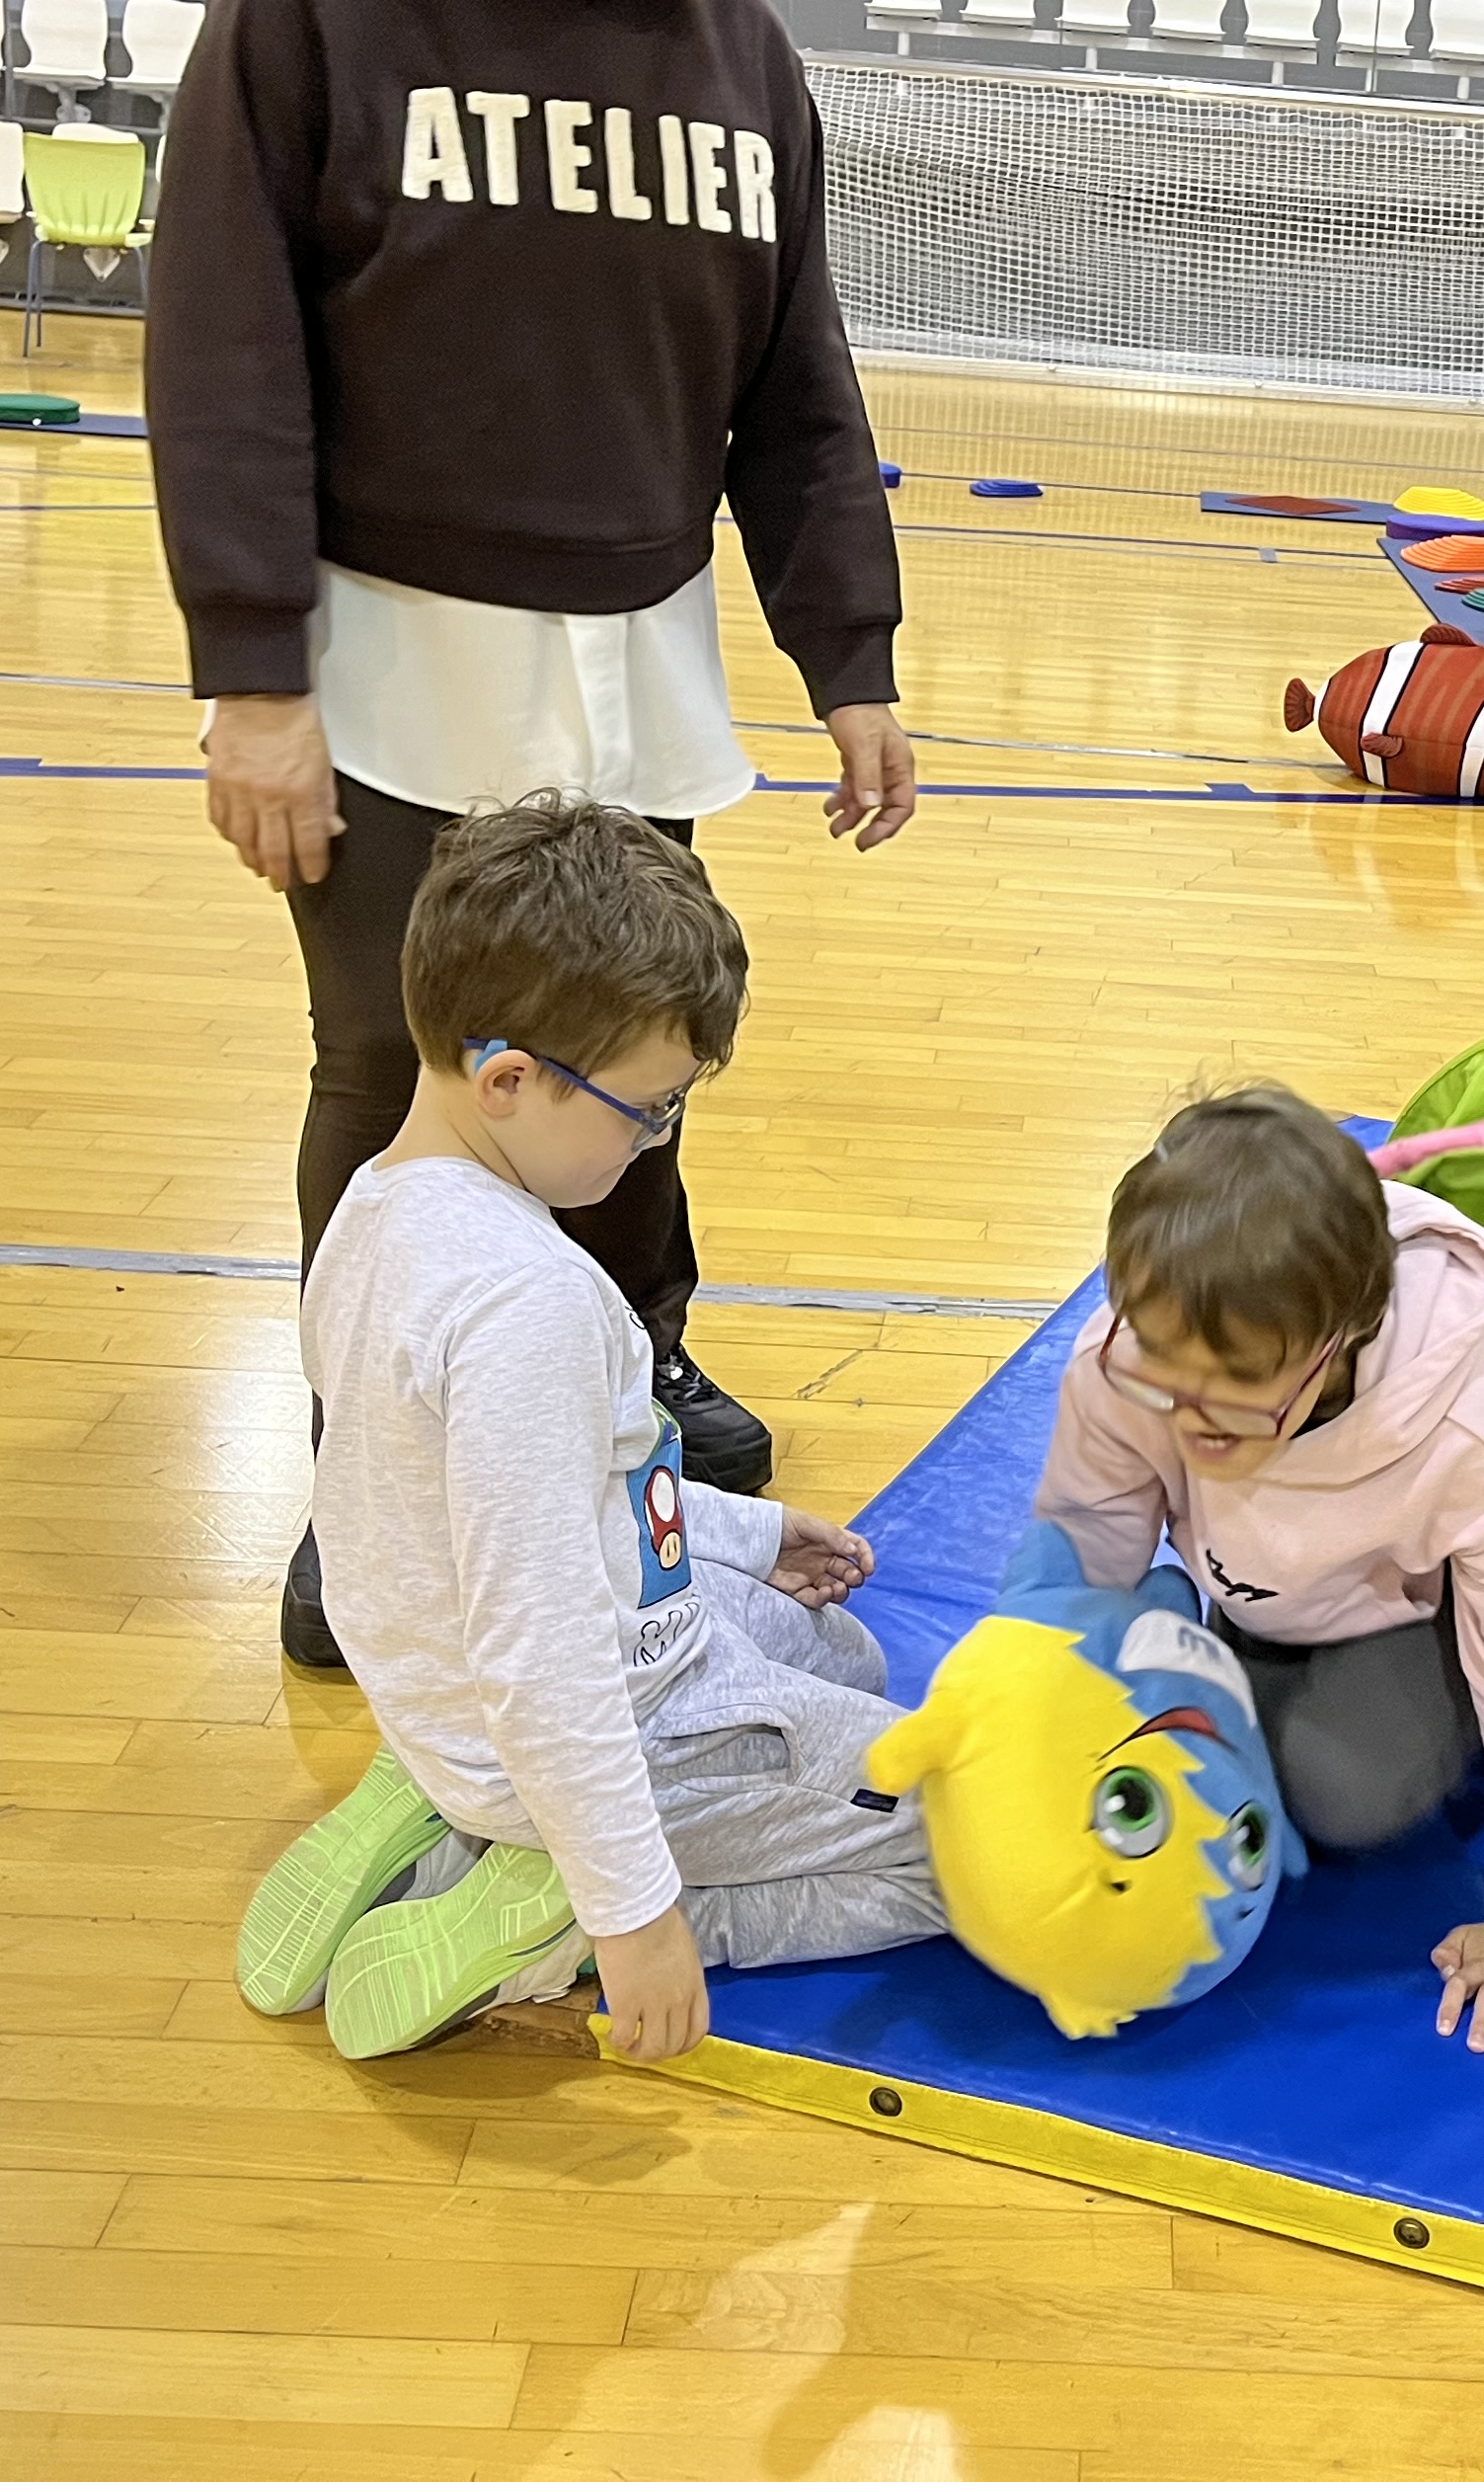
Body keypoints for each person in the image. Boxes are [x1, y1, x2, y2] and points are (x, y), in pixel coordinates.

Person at [146, 0, 914, 1671]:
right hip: (384, 672)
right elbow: (225, 359)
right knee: (401, 1092)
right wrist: (249, 682)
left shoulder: (741, 60)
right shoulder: (320, 0)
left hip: (629, 673)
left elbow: (796, 389)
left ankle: (625, 1412)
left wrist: (850, 655)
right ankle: (375, 1486)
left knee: (626, 1072)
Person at [231, 795, 945, 2066]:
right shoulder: (530, 1306)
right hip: (593, 1727)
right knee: (955, 1855)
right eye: (647, 1107)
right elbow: (544, 1644)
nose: (656, 1137)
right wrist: (635, 1914)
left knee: (844, 1657)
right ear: (510, 1080)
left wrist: (743, 1532)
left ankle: (438, 1797)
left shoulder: (372, 1208)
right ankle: (545, 1901)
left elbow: (541, 1498)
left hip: (456, 1691)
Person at [1033, 1086, 1484, 2056]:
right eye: (1162, 1371)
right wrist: (1043, 1719)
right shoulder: (1140, 1351)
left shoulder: (1477, 1427)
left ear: (1341, 1343)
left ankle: (1435, 1686)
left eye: (1239, 1388)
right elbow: (1086, 1545)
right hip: (1271, 1590)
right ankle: (1260, 1642)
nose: (1187, 1413)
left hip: (1425, 1597)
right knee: (1154, 1749)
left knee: (1342, 1795)